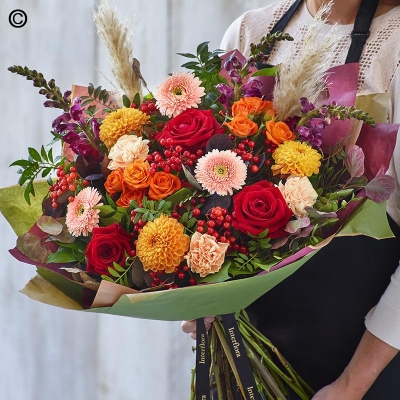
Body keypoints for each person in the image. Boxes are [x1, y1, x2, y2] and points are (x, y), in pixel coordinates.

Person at [182, 0, 400, 398]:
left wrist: (352, 384)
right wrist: (197, 289)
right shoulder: (249, 31)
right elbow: (209, 187)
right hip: (244, 353)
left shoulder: (396, 47)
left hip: (359, 367)